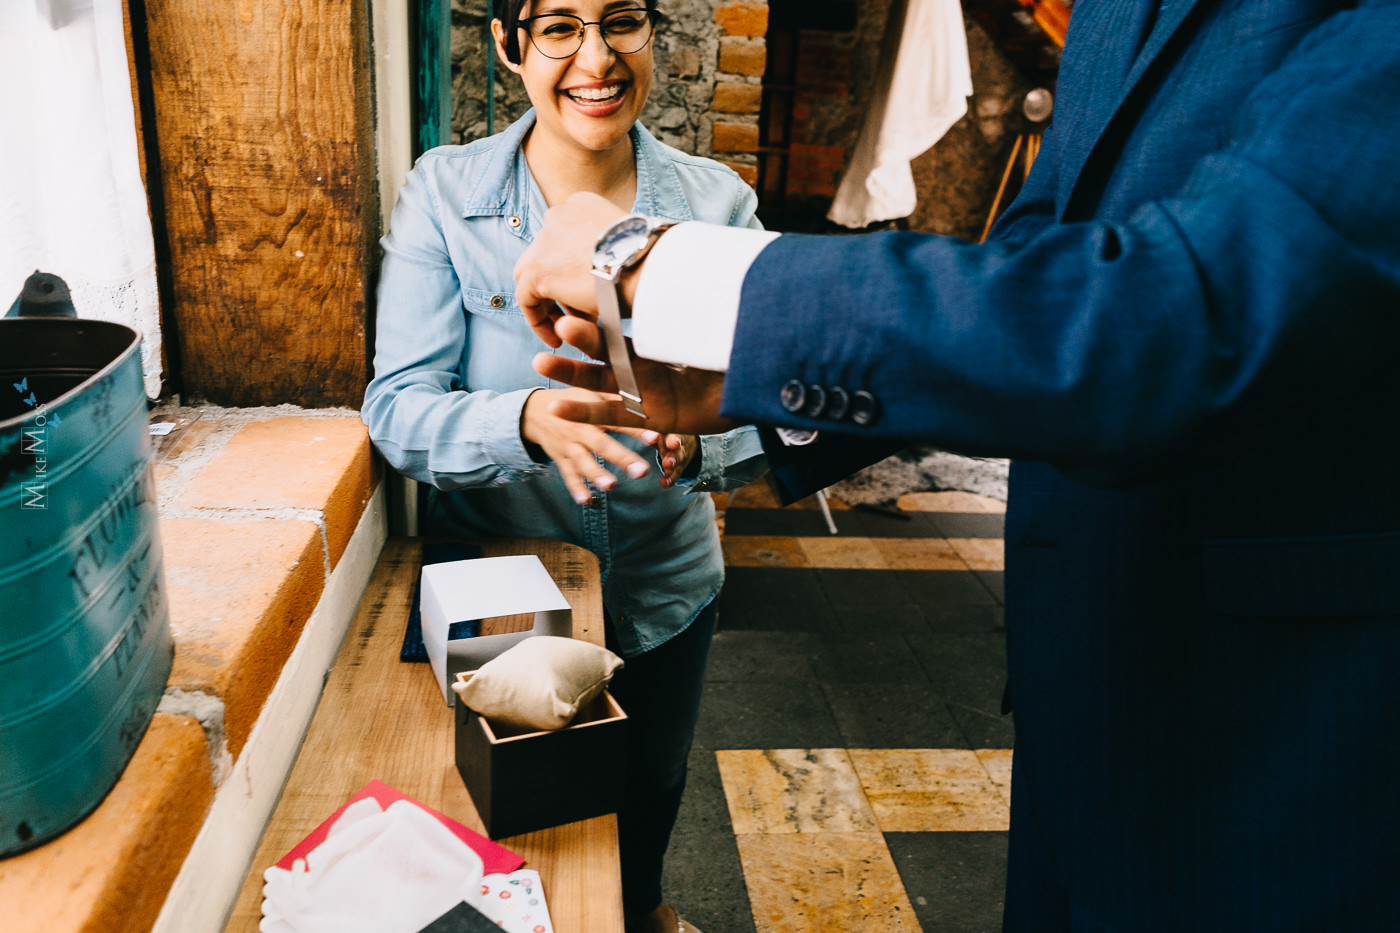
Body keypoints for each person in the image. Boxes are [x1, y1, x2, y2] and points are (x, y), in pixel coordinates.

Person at [511, 0, 1400, 929]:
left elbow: (1184, 308)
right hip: (1084, 675)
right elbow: (1038, 248)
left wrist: (662, 266)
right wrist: (746, 380)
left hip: (1286, 726)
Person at [360, 3, 767, 931]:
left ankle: (646, 907)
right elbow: (397, 408)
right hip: (507, 593)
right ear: (509, 45)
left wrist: (700, 441)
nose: (597, 58)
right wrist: (527, 417)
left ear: (652, 36)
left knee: (652, 780)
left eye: (622, 21)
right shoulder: (445, 192)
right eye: (558, 27)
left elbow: (768, 407)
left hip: (667, 581)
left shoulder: (715, 206)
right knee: (528, 816)